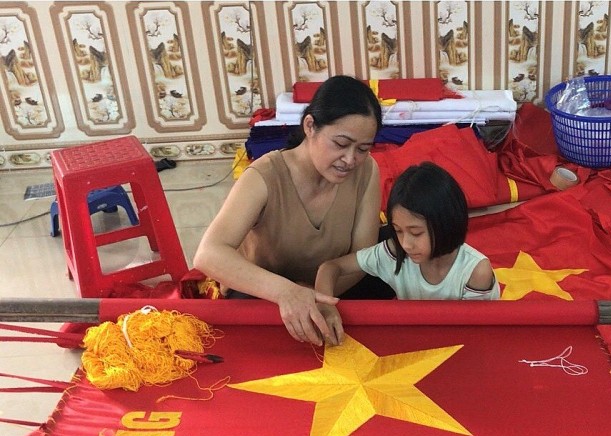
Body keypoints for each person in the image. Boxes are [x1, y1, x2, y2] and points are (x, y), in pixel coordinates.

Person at [194, 75, 383, 347]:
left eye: (363, 149)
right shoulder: (265, 176)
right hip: (264, 293)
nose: (350, 159)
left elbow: (363, 258)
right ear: (310, 126)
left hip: (332, 289)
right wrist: (287, 292)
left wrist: (317, 295)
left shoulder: (366, 171)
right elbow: (209, 254)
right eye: (341, 144)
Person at [315, 162, 500, 341]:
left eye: (416, 232)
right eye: (398, 230)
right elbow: (331, 267)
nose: (406, 244)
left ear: (446, 223)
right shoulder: (394, 254)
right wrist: (325, 304)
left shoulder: (475, 272)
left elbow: (475, 336)